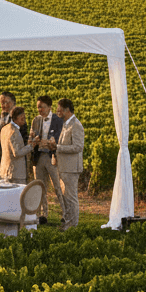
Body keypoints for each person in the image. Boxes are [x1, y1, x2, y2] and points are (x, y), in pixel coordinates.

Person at [29, 95, 63, 224]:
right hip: (39, 157)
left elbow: (60, 138)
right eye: (38, 107)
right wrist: (34, 140)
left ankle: (65, 213)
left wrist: (50, 143)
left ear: (49, 107)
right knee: (39, 187)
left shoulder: (58, 120)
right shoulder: (35, 120)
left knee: (57, 187)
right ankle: (43, 214)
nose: (39, 110)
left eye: (42, 107)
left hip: (52, 157)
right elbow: (31, 137)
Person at [54, 99, 84, 229]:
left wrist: (58, 147)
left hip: (71, 168)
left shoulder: (76, 125)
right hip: (64, 167)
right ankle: (67, 223)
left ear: (67, 110)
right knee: (66, 197)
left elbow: (78, 147)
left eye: (59, 109)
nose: (57, 111)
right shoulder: (66, 124)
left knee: (71, 198)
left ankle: (72, 226)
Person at [0, 106, 29, 183]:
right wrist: (31, 146)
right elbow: (17, 153)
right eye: (23, 118)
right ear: (17, 118)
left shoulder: (4, 129)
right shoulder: (14, 131)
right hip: (16, 173)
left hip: (4, 170)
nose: (25, 120)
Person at [0, 92, 16, 167]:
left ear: (13, 103)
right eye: (2, 103)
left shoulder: (17, 117)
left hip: (10, 154)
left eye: (6, 102)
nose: (4, 105)